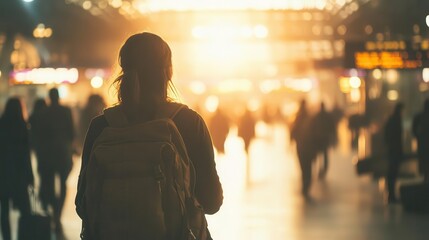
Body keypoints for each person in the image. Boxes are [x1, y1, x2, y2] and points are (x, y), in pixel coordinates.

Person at [75, 32, 223, 239]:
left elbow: (83, 205)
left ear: (123, 71)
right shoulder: (189, 123)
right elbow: (211, 202)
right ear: (168, 72)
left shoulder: (102, 127)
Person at [41, 88, 75, 237]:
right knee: (62, 185)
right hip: (63, 154)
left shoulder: (44, 113)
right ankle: (58, 214)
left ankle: (54, 210)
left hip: (48, 155)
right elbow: (72, 132)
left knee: (49, 184)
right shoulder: (65, 111)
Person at [0, 98, 33, 240]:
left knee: (4, 210)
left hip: (3, 173)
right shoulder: (22, 126)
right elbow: (26, 154)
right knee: (25, 210)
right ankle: (24, 235)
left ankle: (6, 237)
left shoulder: (1, 125)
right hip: (19, 175)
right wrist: (30, 176)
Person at [290, 99, 316, 198]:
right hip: (308, 146)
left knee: (303, 168)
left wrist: (291, 141)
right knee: (308, 168)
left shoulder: (298, 118)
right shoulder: (310, 118)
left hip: (300, 146)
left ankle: (304, 187)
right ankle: (306, 187)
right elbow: (314, 134)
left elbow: (293, 131)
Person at [384, 102, 404, 203]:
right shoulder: (396, 120)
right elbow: (397, 137)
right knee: (393, 172)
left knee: (392, 171)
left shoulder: (392, 119)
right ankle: (391, 194)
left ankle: (391, 193)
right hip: (394, 150)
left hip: (392, 149)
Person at [312, 102, 336, 179]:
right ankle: (323, 170)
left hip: (319, 138)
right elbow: (332, 127)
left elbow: (313, 128)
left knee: (320, 155)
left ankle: (320, 170)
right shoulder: (327, 116)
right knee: (325, 155)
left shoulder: (317, 116)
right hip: (325, 138)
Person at [412, 99, 429, 182]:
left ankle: (425, 177)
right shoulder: (419, 117)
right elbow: (414, 128)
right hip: (424, 142)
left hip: (423, 142)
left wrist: (418, 136)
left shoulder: (419, 116)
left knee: (424, 160)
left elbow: (414, 128)